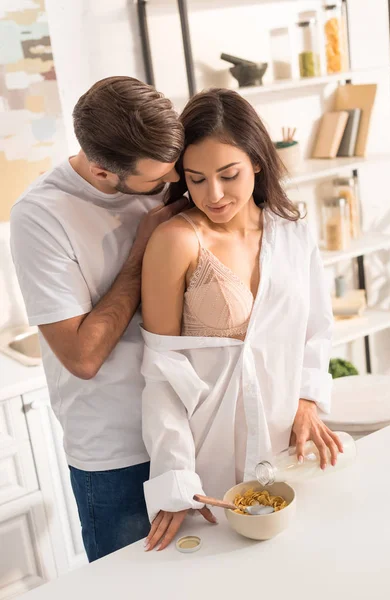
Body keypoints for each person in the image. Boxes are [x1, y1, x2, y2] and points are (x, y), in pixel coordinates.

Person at [140, 88, 343, 551]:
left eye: (228, 175)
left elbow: (316, 328)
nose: (214, 194)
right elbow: (161, 375)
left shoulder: (293, 232)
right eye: (196, 179)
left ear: (255, 160)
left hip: (286, 450)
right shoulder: (177, 241)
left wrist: (308, 400)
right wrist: (175, 479)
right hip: (206, 461)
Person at [10, 76, 189, 562]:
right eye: (155, 182)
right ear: (103, 171)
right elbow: (82, 357)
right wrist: (142, 250)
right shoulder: (41, 217)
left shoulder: (167, 177)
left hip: (192, 430)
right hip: (118, 454)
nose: (172, 187)